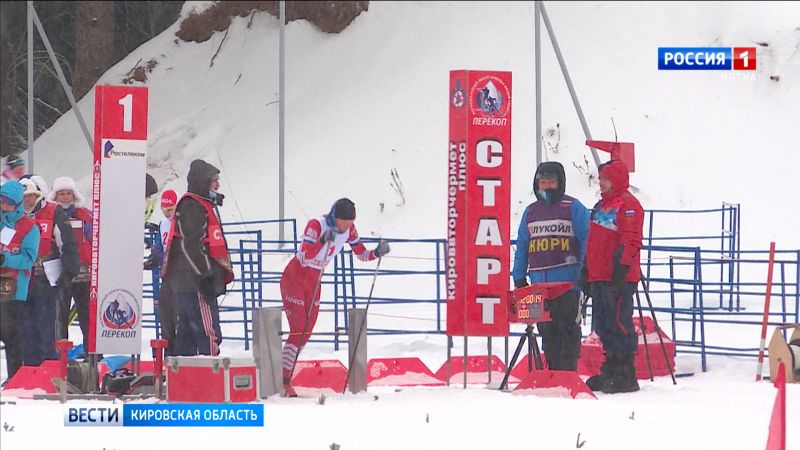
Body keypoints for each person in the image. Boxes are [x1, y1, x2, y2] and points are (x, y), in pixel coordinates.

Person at [280, 198, 390, 397]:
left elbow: (361, 254)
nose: (346, 226)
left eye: (350, 222)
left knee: (306, 332)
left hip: (314, 280)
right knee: (298, 330)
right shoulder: (316, 225)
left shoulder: (350, 230)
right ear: (333, 217)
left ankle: (282, 372)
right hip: (295, 277)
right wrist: (323, 240)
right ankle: (283, 380)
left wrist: (376, 253)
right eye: (343, 222)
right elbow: (304, 256)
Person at [511, 161, 589, 371]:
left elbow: (587, 241)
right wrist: (519, 277)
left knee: (568, 332)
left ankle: (568, 372)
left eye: (551, 182)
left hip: (567, 285)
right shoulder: (531, 212)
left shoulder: (573, 208)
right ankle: (553, 373)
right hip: (539, 286)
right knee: (547, 333)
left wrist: (585, 272)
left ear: (560, 183)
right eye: (542, 182)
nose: (546, 187)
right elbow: (523, 245)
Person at [583, 159, 644, 394]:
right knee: (603, 323)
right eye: (600, 179)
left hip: (618, 276)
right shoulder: (601, 206)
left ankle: (625, 372)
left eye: (605, 179)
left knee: (619, 321)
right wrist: (586, 270)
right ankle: (610, 367)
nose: (601, 183)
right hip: (599, 274)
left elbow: (630, 239)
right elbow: (593, 240)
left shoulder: (628, 205)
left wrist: (621, 269)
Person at [161, 160, 234, 357]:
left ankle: (184, 379)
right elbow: (190, 245)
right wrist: (206, 275)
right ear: (203, 182)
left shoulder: (200, 205)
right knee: (208, 333)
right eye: (214, 181)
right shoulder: (192, 205)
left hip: (188, 282)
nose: (217, 186)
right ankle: (209, 377)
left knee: (187, 334)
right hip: (195, 283)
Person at [20, 177, 80, 366]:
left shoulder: (53, 211)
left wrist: (69, 271)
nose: (27, 201)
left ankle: (51, 366)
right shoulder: (15, 215)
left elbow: (67, 243)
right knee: (26, 326)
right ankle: (29, 367)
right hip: (22, 279)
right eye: (24, 197)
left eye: (31, 196)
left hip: (47, 278)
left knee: (49, 323)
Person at [0, 180, 40, 379]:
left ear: (17, 203)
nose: (3, 205)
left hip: (14, 288)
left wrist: (5, 258)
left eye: (7, 202)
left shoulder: (29, 228)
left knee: (11, 334)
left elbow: (28, 259)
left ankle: (15, 377)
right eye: (1, 201)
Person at [48, 176, 92, 353]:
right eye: (61, 194)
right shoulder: (51, 215)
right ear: (55, 196)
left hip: (84, 273)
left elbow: (94, 239)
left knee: (87, 317)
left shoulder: (85, 214)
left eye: (69, 194)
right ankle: (61, 354)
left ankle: (92, 352)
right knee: (60, 317)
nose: (66, 198)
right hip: (62, 273)